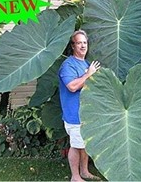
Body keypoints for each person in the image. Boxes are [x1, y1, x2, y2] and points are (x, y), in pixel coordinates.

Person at [58, 30, 101, 182]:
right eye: (79, 43)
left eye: (85, 42)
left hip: (86, 113)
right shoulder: (68, 65)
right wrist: (89, 74)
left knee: (84, 144)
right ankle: (75, 177)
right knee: (76, 145)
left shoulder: (86, 64)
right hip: (73, 114)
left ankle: (84, 171)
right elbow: (72, 86)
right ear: (73, 46)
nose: (83, 46)